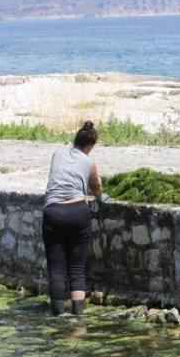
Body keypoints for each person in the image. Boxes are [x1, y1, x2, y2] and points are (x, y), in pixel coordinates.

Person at [42, 121, 103, 316]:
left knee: (56, 270)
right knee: (76, 268)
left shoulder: (57, 154)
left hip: (53, 211)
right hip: (78, 211)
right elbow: (96, 188)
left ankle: (58, 317)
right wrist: (102, 197)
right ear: (91, 145)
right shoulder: (89, 163)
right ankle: (78, 318)